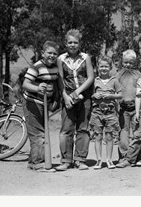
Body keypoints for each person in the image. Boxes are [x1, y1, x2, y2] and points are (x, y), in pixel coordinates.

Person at [55, 29, 94, 171]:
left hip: (84, 98)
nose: (72, 45)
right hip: (68, 98)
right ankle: (66, 160)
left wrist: (77, 92)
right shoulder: (60, 59)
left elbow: (90, 78)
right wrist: (65, 96)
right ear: (65, 43)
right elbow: (60, 80)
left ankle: (80, 160)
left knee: (83, 128)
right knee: (66, 129)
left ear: (79, 44)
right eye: (70, 42)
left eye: (75, 42)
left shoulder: (86, 57)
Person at [21, 41, 59, 172]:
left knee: (42, 133)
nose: (52, 55)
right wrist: (37, 88)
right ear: (43, 53)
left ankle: (34, 161)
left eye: (55, 53)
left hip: (44, 104)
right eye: (49, 52)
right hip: (32, 102)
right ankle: (37, 163)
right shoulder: (36, 67)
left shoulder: (55, 67)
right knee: (38, 134)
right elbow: (25, 84)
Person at [89, 56, 122, 169]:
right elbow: (90, 95)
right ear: (98, 67)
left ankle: (109, 159)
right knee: (97, 136)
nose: (103, 68)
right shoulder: (95, 80)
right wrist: (94, 95)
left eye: (106, 66)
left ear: (110, 67)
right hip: (97, 112)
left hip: (110, 112)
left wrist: (111, 96)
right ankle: (98, 160)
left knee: (109, 136)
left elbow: (120, 94)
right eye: (101, 66)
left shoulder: (114, 80)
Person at [115, 50, 141, 166]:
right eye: (125, 62)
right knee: (123, 132)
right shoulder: (118, 75)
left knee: (138, 133)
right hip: (123, 109)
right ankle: (123, 156)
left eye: (131, 63)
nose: (128, 65)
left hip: (137, 108)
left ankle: (140, 156)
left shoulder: (138, 75)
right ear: (122, 62)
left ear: (135, 63)